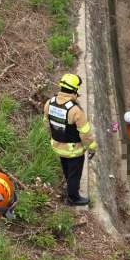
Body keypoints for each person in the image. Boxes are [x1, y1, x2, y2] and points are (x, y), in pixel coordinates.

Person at [44, 73, 97, 206]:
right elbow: (85, 133)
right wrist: (92, 148)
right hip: (74, 150)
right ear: (75, 90)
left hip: (57, 146)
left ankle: (69, 186)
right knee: (75, 174)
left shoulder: (49, 103)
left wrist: (54, 137)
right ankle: (73, 197)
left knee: (67, 169)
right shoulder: (75, 109)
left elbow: (47, 124)